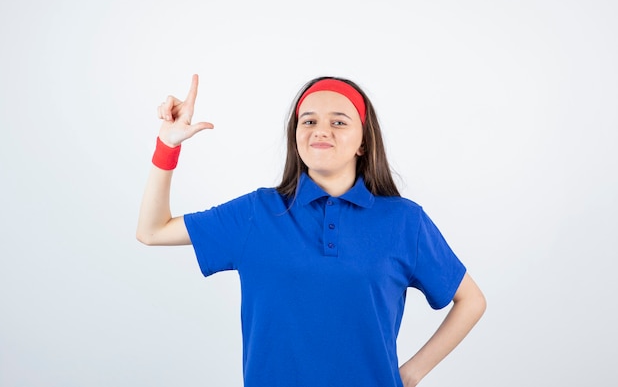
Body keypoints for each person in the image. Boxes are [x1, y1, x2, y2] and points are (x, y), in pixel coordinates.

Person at [137, 74, 486, 387]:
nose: (321, 130)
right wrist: (167, 145)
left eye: (339, 121)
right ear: (296, 136)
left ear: (363, 142)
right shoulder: (257, 213)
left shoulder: (404, 222)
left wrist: (410, 373)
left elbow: (471, 300)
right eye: (309, 121)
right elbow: (152, 231)